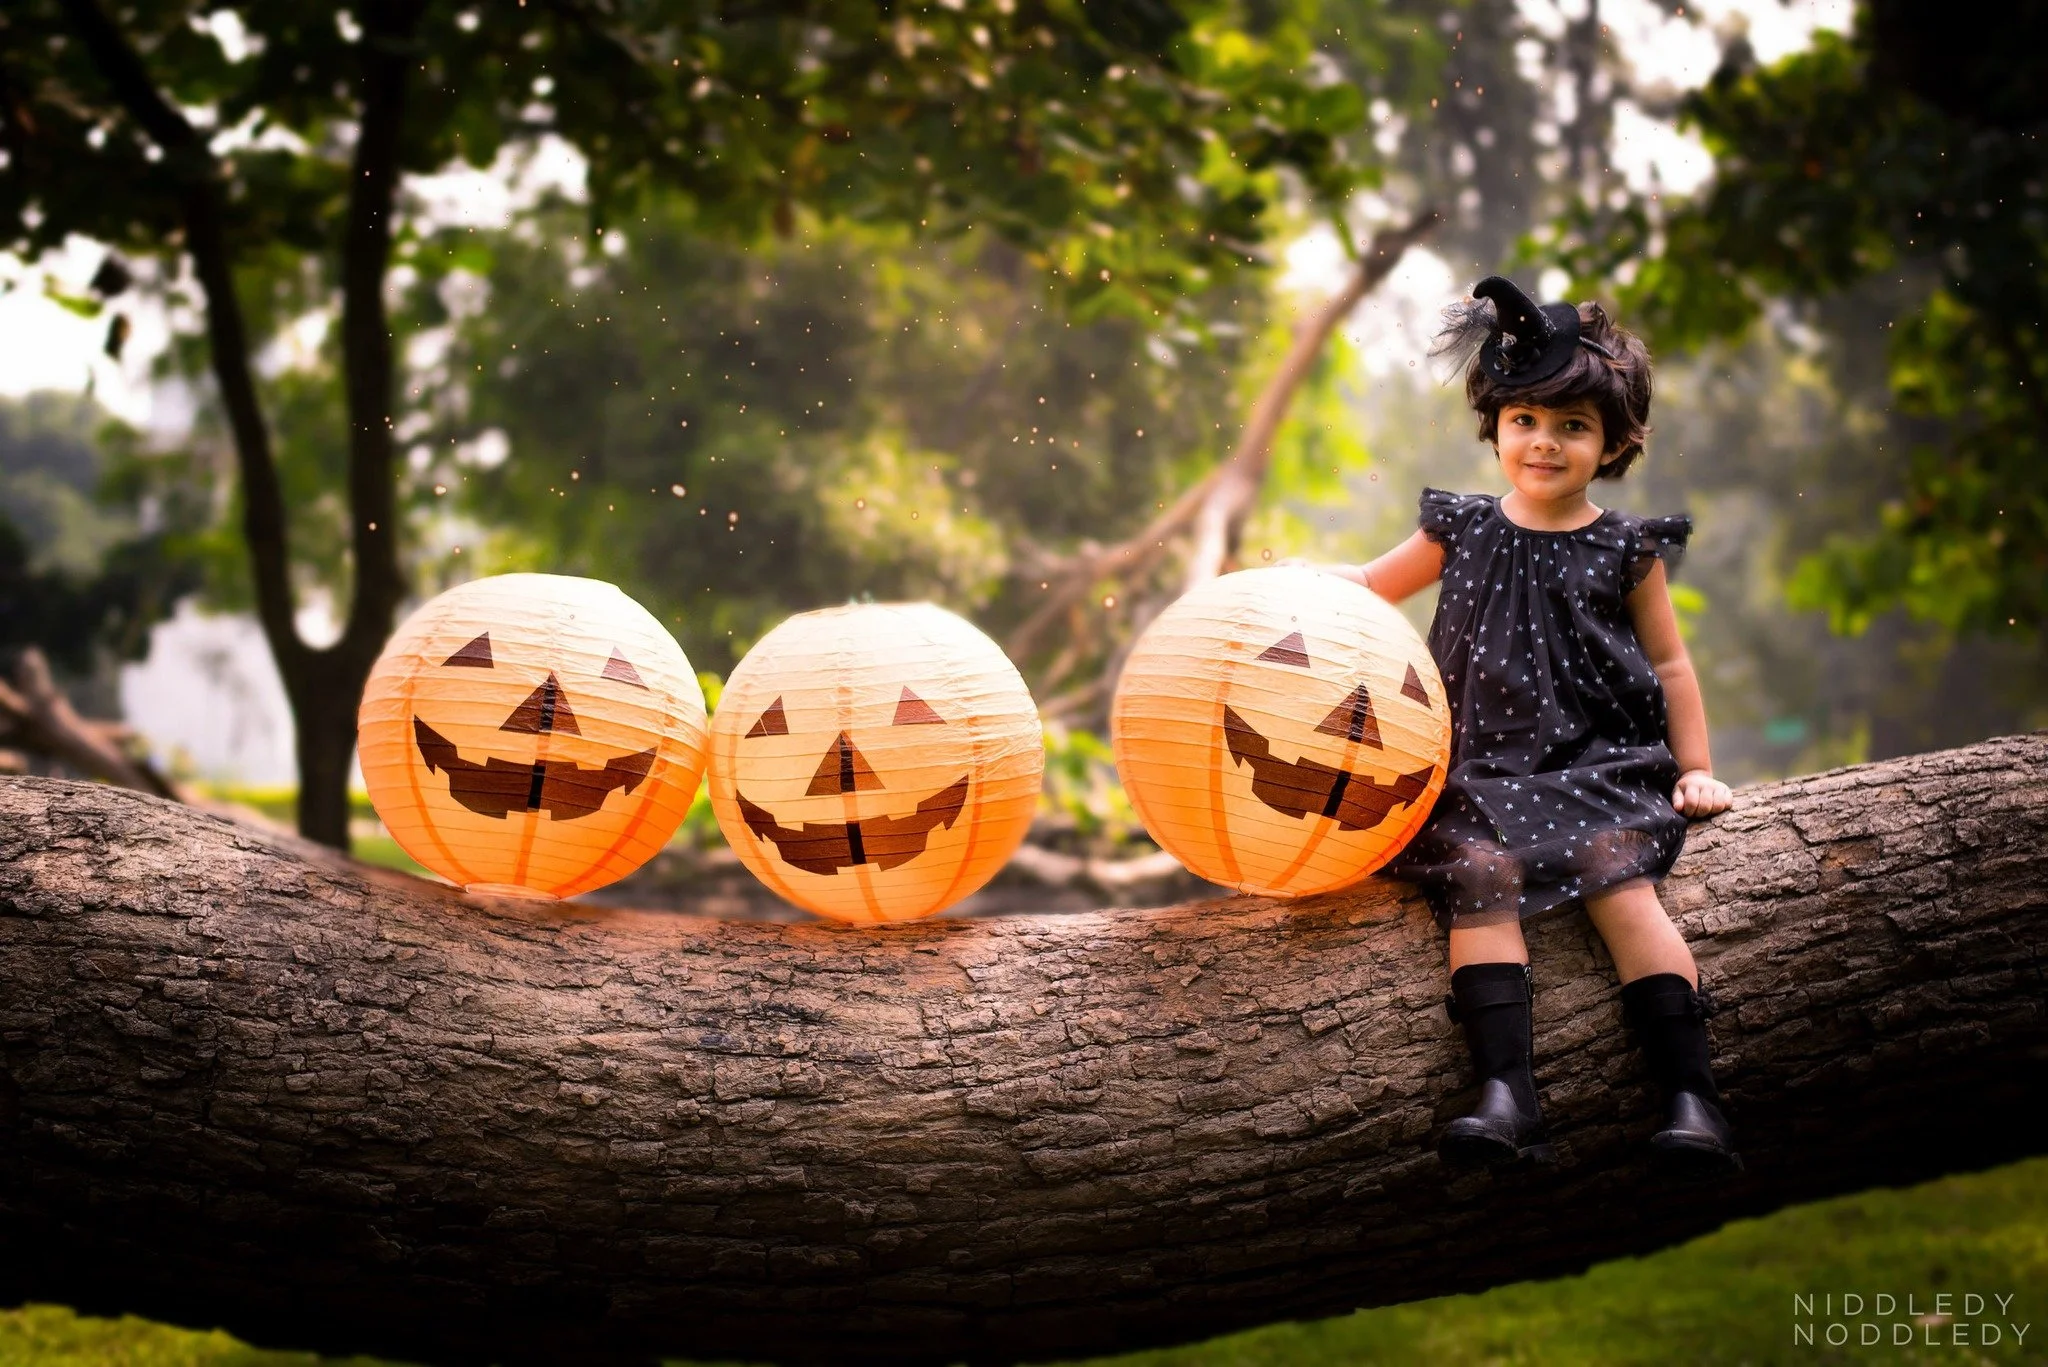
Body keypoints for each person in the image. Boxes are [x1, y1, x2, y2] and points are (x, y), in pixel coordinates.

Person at [1309, 276, 1740, 1176]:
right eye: (1526, 422)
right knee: (1480, 877)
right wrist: (1287, 583)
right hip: (1480, 771)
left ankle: (1693, 1098)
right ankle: (1509, 1095)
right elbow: (1367, 586)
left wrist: (1693, 768)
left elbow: (1670, 666)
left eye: (1573, 426)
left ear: (1614, 442)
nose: (1544, 442)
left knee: (1619, 886)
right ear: (1497, 424)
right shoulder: (1459, 528)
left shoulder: (1626, 548)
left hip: (1597, 764)